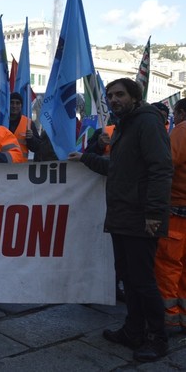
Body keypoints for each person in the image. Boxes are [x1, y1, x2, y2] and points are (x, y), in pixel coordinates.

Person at [69, 78, 172, 362]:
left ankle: (157, 338)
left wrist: (153, 213)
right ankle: (133, 330)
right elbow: (118, 169)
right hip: (122, 215)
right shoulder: (125, 126)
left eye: (119, 95)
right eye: (110, 95)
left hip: (141, 217)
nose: (114, 100)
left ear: (135, 96)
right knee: (128, 278)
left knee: (142, 281)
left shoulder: (147, 123)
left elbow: (161, 169)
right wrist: (85, 159)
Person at [155, 98, 186, 335]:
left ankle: (170, 319)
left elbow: (167, 162)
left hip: (177, 210)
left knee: (168, 263)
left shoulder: (181, 131)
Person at [8, 92, 39, 160]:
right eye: (12, 102)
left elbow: (37, 147)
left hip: (21, 167)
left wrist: (31, 138)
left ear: (21, 105)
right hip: (0, 166)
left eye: (17, 103)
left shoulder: (29, 123)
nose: (14, 106)